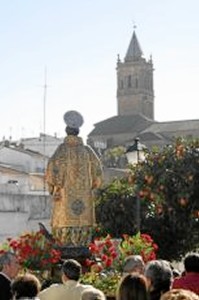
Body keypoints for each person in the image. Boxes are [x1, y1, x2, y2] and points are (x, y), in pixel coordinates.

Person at [46, 110, 103, 245]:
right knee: (83, 228)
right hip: (85, 200)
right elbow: (98, 172)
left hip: (65, 199)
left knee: (64, 229)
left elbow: (51, 171)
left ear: (66, 131)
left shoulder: (61, 150)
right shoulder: (88, 151)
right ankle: (83, 245)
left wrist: (53, 188)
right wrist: (91, 187)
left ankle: (65, 247)